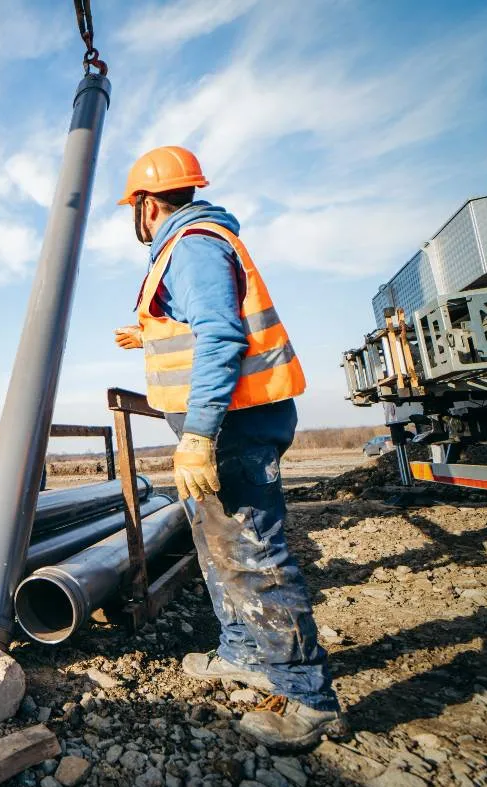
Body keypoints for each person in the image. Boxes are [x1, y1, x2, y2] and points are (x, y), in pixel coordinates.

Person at [113, 145, 348, 750]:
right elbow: (198, 327)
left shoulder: (191, 247)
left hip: (231, 427)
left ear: (146, 202)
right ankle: (245, 653)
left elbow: (222, 334)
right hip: (227, 425)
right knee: (220, 544)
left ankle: (306, 696)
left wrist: (196, 435)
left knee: (251, 549)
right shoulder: (190, 247)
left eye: (133, 206)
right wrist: (148, 334)